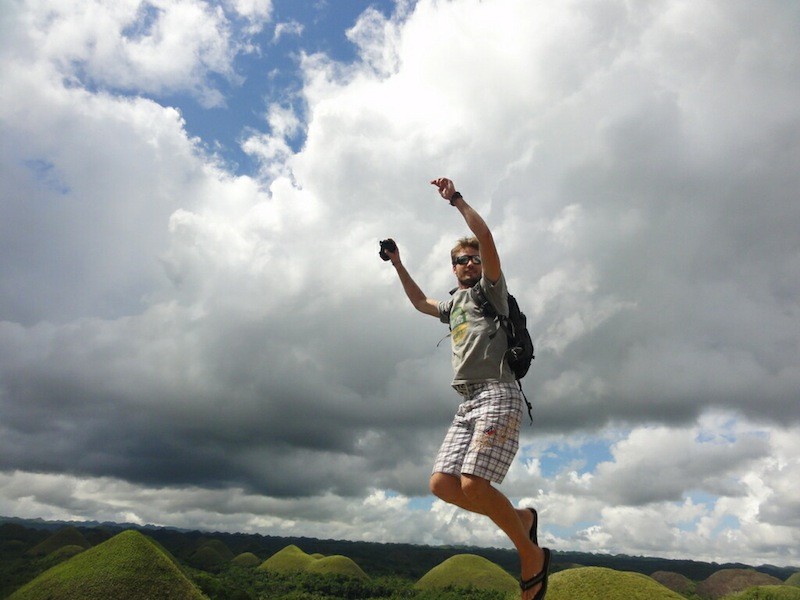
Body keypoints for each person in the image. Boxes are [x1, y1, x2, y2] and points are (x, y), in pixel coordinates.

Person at [382, 177, 550, 600]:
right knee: (442, 484)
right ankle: (522, 519)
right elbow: (421, 303)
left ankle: (530, 556)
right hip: (467, 401)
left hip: (497, 392)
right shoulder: (454, 303)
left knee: (474, 484)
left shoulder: (490, 292)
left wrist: (456, 200)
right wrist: (399, 264)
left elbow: (486, 237)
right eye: (461, 260)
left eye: (473, 258)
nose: (469, 264)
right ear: (452, 267)